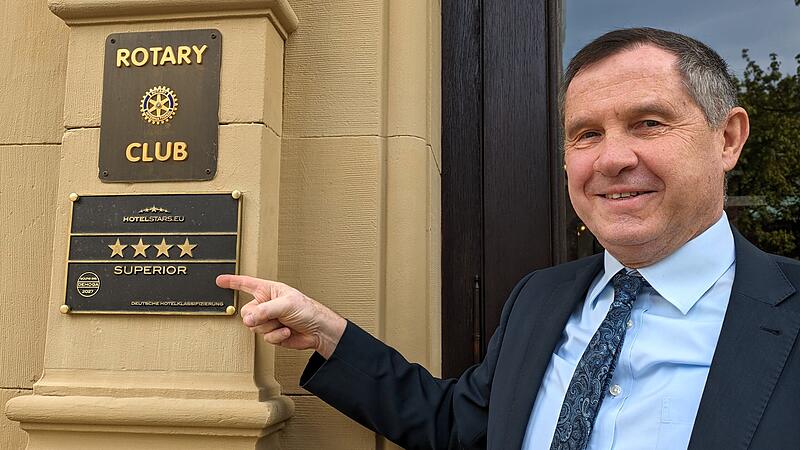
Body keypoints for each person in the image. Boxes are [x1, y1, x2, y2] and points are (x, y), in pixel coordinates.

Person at [217, 28, 800, 449]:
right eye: (586, 134)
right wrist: (329, 333)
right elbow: (457, 424)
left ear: (727, 138)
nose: (613, 159)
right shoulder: (539, 298)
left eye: (648, 123)